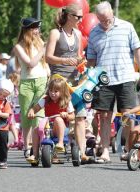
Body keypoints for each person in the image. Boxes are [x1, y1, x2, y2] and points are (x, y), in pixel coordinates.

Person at [86, 1, 140, 163]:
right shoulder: (93, 33)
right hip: (103, 80)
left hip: (125, 77)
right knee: (104, 116)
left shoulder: (127, 27)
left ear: (112, 14)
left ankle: (128, 150)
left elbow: (138, 52)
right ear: (97, 17)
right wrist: (88, 80)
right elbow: (91, 61)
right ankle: (105, 152)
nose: (105, 23)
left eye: (107, 19)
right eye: (102, 20)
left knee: (127, 114)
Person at [45, 3, 92, 163]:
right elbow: (48, 57)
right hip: (58, 81)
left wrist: (81, 61)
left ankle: (83, 153)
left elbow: (78, 56)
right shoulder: (55, 33)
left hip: (75, 81)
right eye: (78, 17)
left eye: (82, 17)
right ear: (69, 16)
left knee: (80, 117)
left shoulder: (78, 34)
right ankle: (55, 152)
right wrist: (65, 60)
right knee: (57, 116)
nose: (80, 19)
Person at [13, 17, 49, 159]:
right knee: (27, 115)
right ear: (26, 30)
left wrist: (47, 71)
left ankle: (36, 146)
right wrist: (43, 50)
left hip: (41, 80)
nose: (37, 31)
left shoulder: (40, 42)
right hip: (26, 83)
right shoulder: (19, 46)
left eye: (37, 28)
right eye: (34, 28)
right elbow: (30, 63)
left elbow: (43, 63)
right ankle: (26, 145)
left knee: (38, 113)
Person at [27, 78, 75, 163]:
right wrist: (32, 111)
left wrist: (67, 115)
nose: (52, 93)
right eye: (50, 91)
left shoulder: (66, 101)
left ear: (62, 92)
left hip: (62, 129)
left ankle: (60, 143)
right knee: (35, 130)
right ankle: (35, 155)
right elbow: (36, 108)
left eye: (56, 91)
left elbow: (72, 116)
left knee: (58, 119)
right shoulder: (46, 100)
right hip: (48, 127)